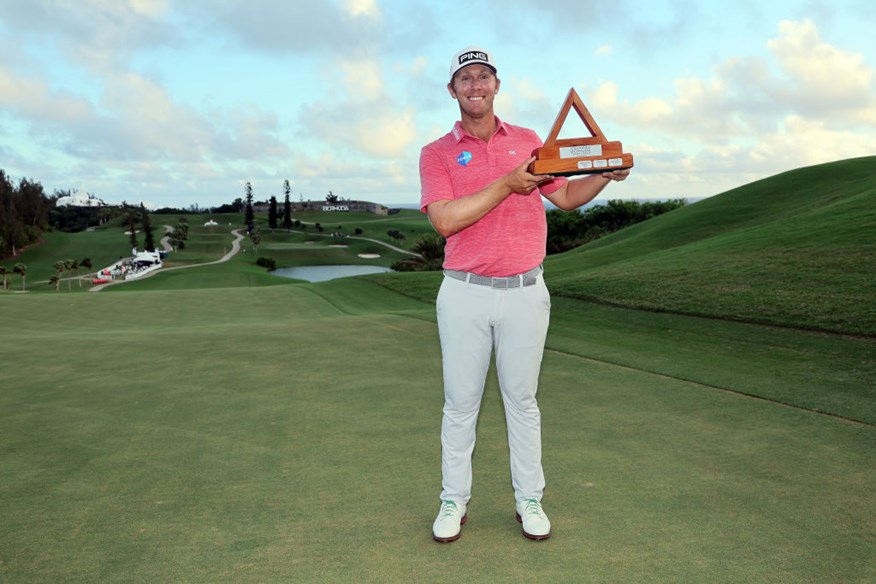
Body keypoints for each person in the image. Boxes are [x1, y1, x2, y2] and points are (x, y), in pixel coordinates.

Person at [420, 45, 630, 543]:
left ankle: (529, 500)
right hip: (464, 291)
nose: (475, 85)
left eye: (484, 77)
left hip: (525, 290)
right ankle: (453, 500)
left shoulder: (531, 141)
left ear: (497, 85)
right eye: (465, 79)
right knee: (460, 403)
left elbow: (567, 198)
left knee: (523, 401)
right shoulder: (437, 153)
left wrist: (605, 173)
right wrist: (508, 183)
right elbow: (445, 220)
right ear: (453, 90)